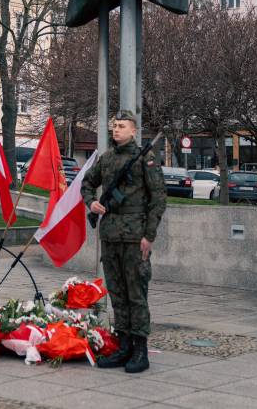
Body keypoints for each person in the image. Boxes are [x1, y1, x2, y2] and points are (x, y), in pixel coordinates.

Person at [81, 110, 167, 373]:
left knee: (136, 294)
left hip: (134, 236)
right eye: (114, 125)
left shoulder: (145, 159)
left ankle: (140, 349)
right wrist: (91, 203)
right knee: (118, 293)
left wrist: (148, 236)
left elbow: (158, 199)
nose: (116, 130)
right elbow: (87, 182)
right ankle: (123, 345)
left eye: (122, 126)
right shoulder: (106, 158)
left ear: (133, 131)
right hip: (110, 235)